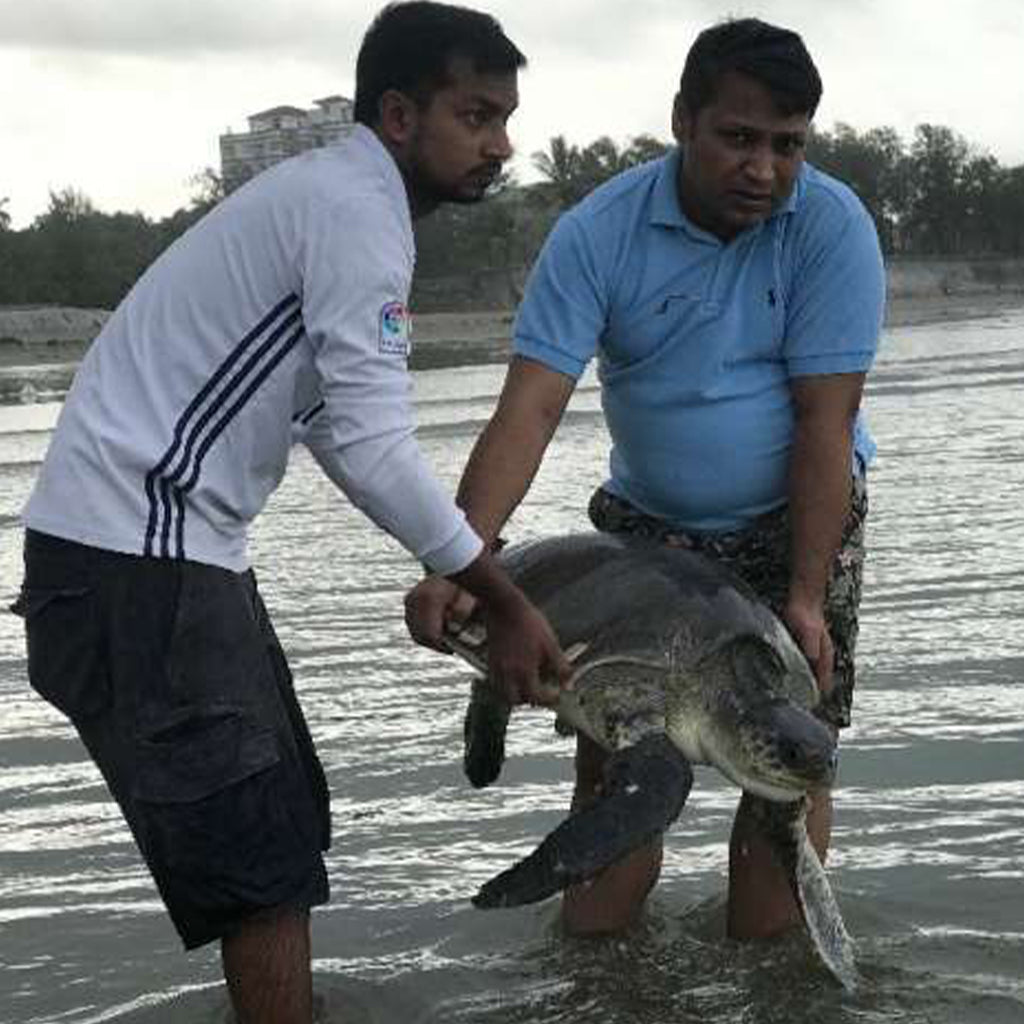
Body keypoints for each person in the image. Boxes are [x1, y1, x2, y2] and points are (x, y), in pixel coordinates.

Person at [10, 4, 571, 1022]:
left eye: (506, 117)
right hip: (142, 560)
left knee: (285, 825)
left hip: (149, 557)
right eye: (476, 114)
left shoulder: (327, 200)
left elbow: (325, 425)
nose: (500, 143)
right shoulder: (356, 213)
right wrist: (506, 597)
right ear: (399, 115)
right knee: (262, 865)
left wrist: (456, 571)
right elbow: (369, 442)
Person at [405, 17, 884, 941]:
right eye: (739, 138)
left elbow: (826, 424)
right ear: (682, 120)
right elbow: (531, 409)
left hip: (800, 518)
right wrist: (456, 559)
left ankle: (772, 976)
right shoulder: (599, 232)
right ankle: (598, 976)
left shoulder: (829, 226)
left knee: (785, 774)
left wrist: (807, 598)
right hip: (649, 532)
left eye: (789, 146)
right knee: (622, 766)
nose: (764, 170)